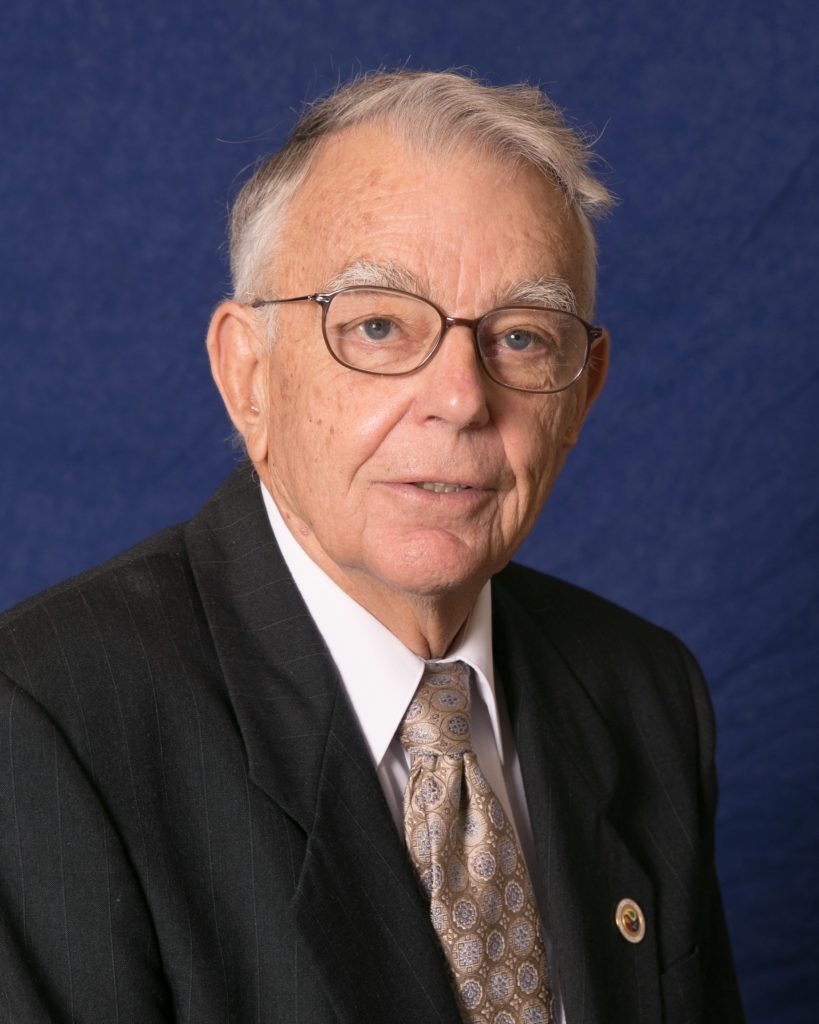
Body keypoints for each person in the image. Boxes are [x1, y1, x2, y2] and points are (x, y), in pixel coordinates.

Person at [0, 70, 744, 1023]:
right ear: (249, 376)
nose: (462, 398)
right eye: (380, 327)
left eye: (520, 338)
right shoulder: (46, 724)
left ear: (580, 396)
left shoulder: (642, 692)